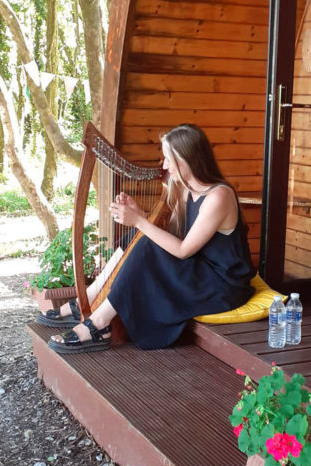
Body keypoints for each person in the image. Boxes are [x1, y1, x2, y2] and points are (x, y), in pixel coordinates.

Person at [46, 124, 254, 354]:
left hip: (222, 283)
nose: (164, 165)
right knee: (140, 237)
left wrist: (138, 221)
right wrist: (142, 217)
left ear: (187, 159)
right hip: (198, 270)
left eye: (168, 159)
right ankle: (90, 296)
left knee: (145, 242)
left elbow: (183, 250)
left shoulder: (219, 196)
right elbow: (174, 234)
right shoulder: (185, 189)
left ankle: (98, 324)